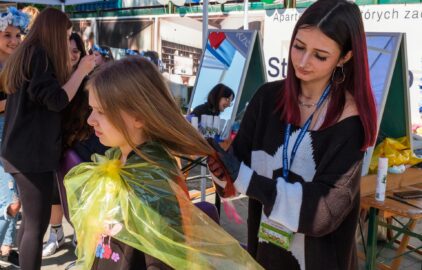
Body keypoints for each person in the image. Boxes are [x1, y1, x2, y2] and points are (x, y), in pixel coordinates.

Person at [207, 1, 377, 269]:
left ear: (345, 57)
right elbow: (234, 179)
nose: (303, 62)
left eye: (320, 55)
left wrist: (244, 177)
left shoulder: (350, 122)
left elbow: (323, 213)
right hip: (264, 255)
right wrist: (220, 167)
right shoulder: (266, 99)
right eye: (298, 47)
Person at [64, 56, 262, 270]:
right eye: (92, 109)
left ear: (138, 116)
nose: (90, 120)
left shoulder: (153, 179)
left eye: (101, 111)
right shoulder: (118, 161)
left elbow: (165, 260)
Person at [0, 8, 95, 270]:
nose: (67, 43)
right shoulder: (39, 55)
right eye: (65, 37)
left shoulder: (28, 53)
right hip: (31, 155)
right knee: (36, 225)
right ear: (54, 32)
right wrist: (82, 70)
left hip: (21, 153)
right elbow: (56, 101)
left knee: (31, 223)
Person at [42, 32, 106, 257]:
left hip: (85, 141)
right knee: (55, 191)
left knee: (85, 190)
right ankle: (56, 234)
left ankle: (85, 237)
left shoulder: (89, 76)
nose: (71, 56)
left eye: (76, 51)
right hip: (57, 142)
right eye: (66, 51)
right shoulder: (49, 75)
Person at [0, 7, 29, 268]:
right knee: (10, 199)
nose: (13, 40)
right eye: (7, 35)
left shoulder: (16, 63)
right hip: (2, 139)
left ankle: (6, 246)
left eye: (17, 35)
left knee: (15, 197)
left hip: (16, 136)